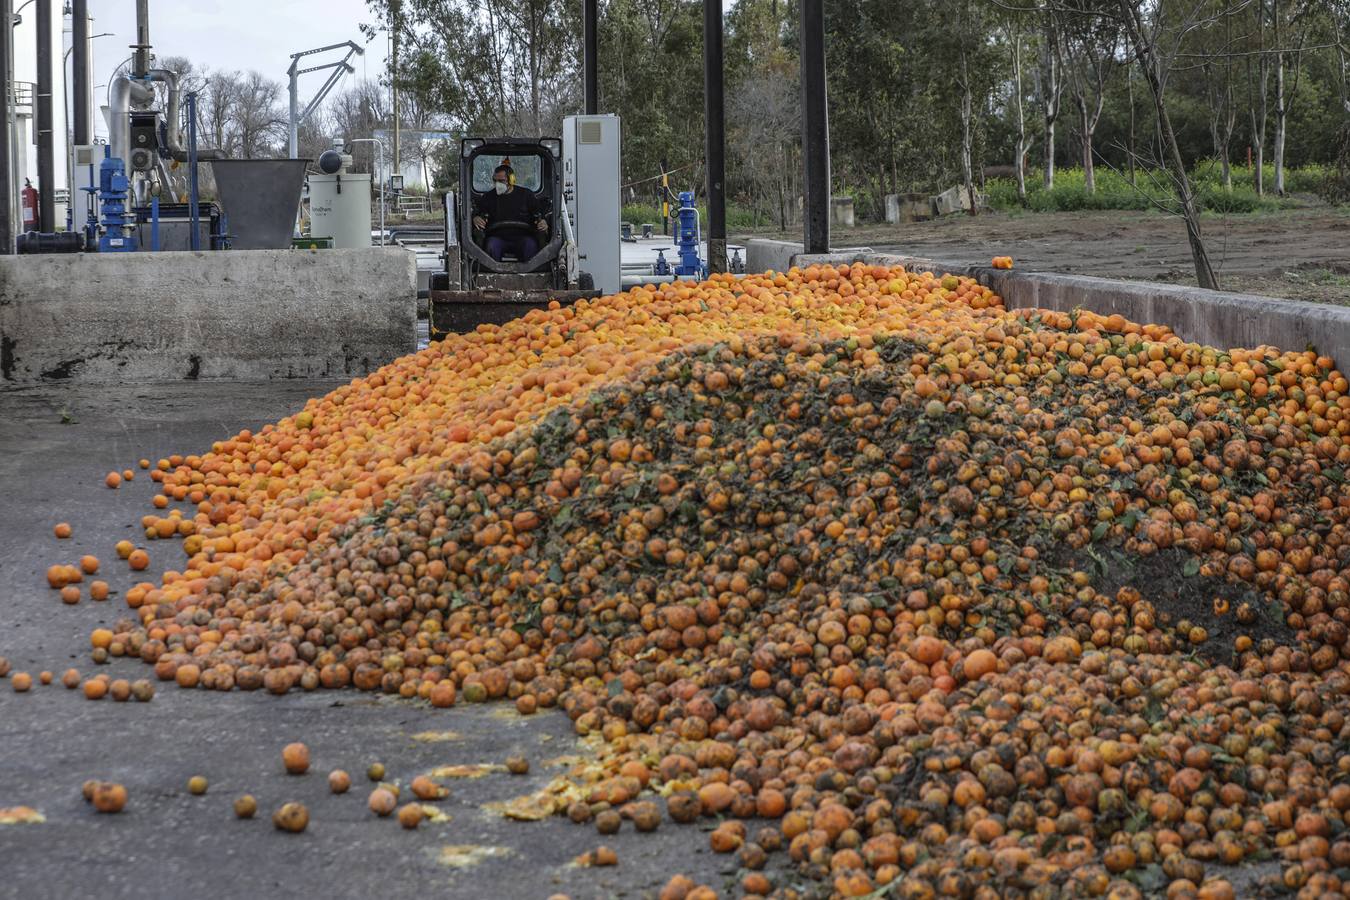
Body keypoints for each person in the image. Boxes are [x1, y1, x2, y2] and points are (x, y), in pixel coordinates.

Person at [472, 164, 547, 262]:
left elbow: (539, 213)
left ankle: (530, 275)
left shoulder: (526, 195)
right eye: (495, 181)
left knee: (530, 245)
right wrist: (475, 218)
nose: (497, 184)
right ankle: (492, 275)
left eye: (501, 181)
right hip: (497, 238)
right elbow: (478, 213)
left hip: (523, 237)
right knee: (491, 246)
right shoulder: (488, 198)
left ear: (511, 180)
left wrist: (543, 222)